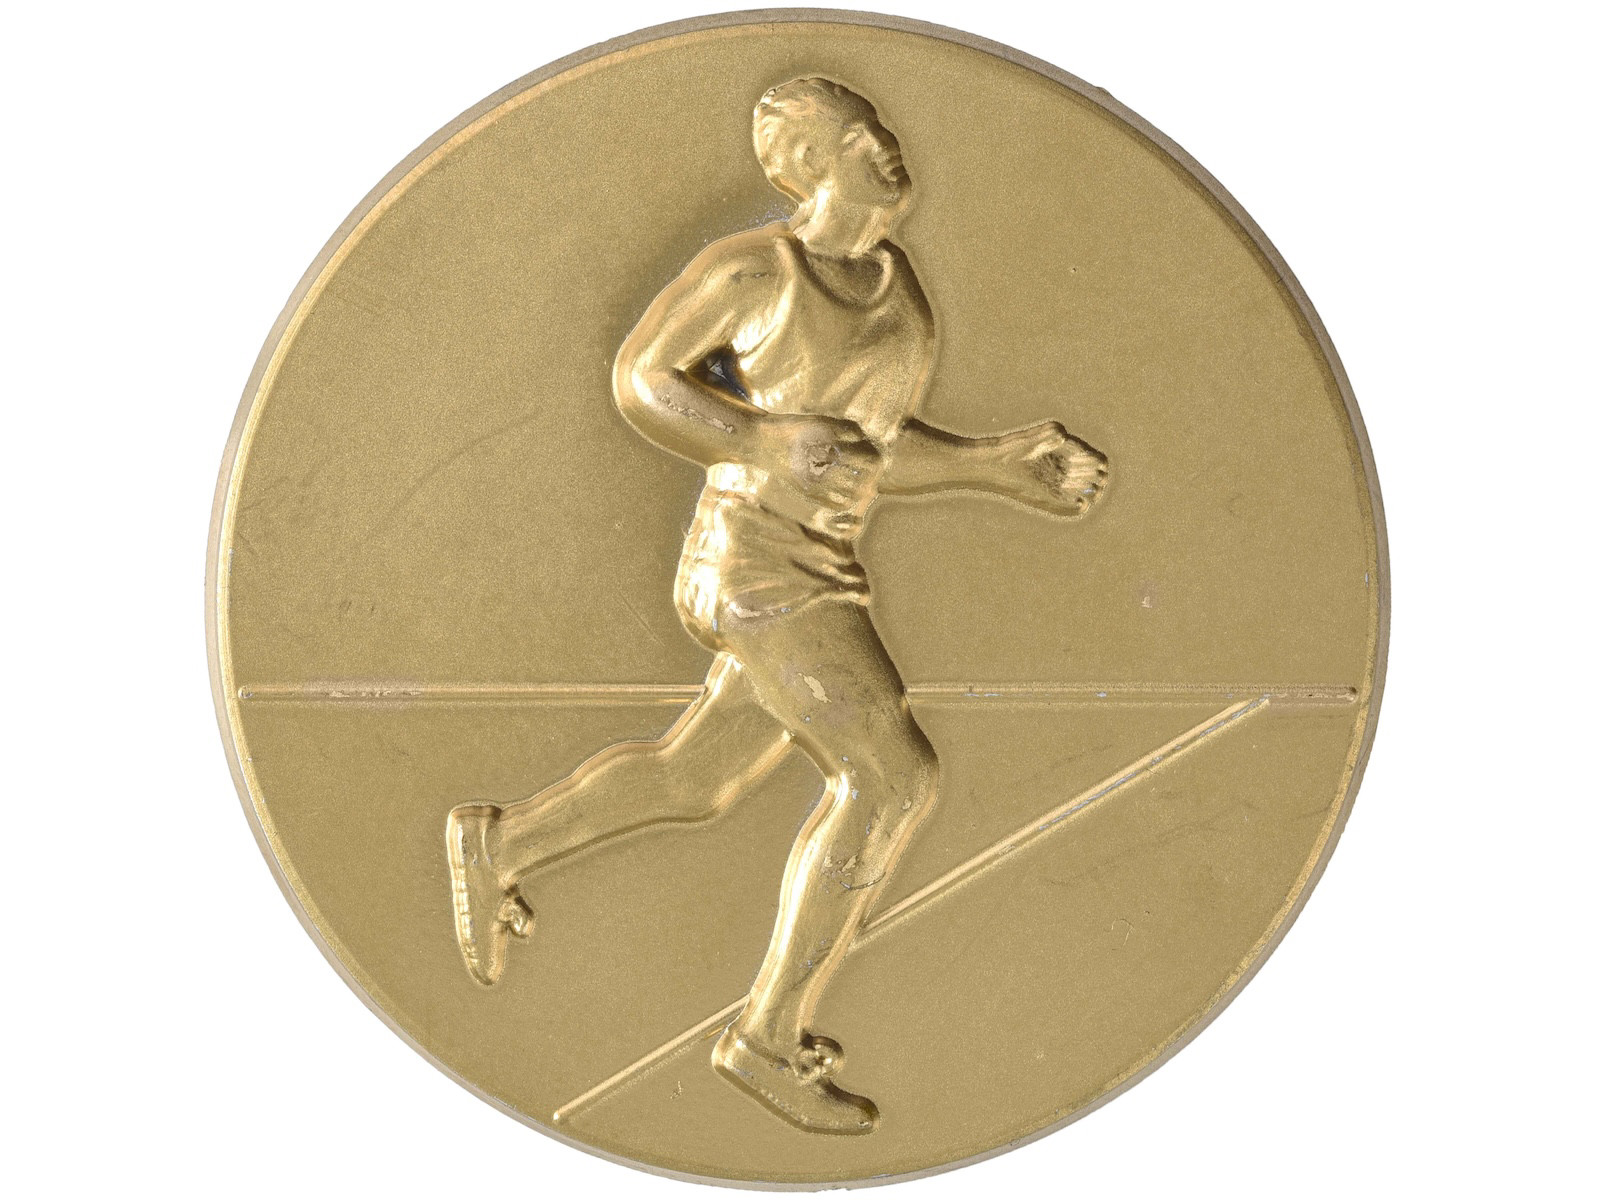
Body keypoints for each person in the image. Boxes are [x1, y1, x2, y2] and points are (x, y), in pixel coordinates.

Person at [447, 77, 1108, 1134]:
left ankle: (503, 845)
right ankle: (764, 1041)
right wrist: (759, 438)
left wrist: (995, 464)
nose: (884, 145)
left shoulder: (898, 291)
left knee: (696, 779)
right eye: (856, 136)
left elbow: (865, 451)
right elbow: (642, 378)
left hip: (820, 566)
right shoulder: (755, 269)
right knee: (892, 777)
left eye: (880, 127)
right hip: (754, 567)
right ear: (805, 168)